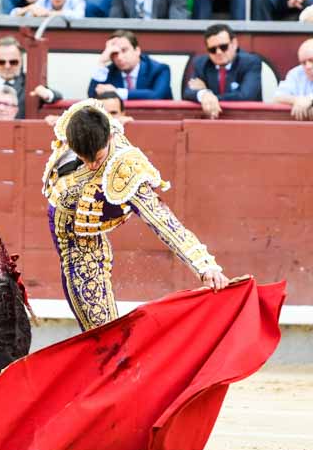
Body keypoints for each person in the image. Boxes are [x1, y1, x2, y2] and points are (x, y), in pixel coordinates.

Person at [42, 99, 228, 330]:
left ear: (110, 138)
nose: (91, 166)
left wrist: (205, 265)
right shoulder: (79, 123)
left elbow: (162, 220)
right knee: (99, 328)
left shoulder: (125, 168)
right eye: (84, 159)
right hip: (71, 228)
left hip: (81, 239)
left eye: (97, 159)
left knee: (102, 330)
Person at [0, 36, 63, 119]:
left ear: (21, 60)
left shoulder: (30, 87)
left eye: (13, 62)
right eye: (1, 62)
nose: (7, 66)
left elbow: (56, 96)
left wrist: (47, 94)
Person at [182, 24, 262, 119]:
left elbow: (246, 95)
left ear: (234, 44)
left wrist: (210, 96)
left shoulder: (250, 62)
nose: (218, 52)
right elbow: (188, 92)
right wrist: (204, 94)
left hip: (245, 120)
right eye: (212, 50)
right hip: (212, 121)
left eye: (223, 47)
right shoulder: (201, 63)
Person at [88, 29, 172, 100]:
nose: (119, 57)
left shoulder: (159, 69)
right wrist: (101, 62)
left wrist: (117, 92)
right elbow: (92, 96)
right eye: (114, 53)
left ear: (137, 51)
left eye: (124, 50)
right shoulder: (110, 71)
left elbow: (156, 95)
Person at [273, 38, 313, 120]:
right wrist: (297, 100)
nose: (308, 66)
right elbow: (277, 97)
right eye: (303, 63)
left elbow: (308, 100)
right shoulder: (296, 73)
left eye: (312, 60)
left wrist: (310, 99)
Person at [45, 91, 133, 126]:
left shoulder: (129, 125)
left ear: (123, 114)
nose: (108, 118)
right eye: (102, 113)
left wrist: (131, 124)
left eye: (113, 113)